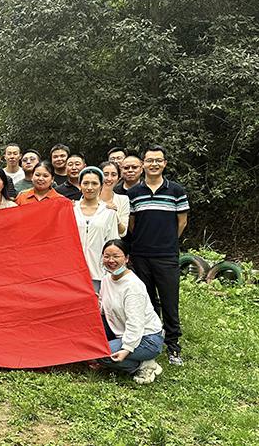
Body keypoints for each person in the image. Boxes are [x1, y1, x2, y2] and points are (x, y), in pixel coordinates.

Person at [128, 145, 189, 365]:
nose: (154, 164)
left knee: (170, 301)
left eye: (158, 160)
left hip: (166, 255)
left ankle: (173, 346)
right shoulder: (134, 193)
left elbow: (182, 222)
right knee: (147, 301)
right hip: (141, 254)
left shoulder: (176, 191)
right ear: (143, 164)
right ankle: (152, 339)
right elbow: (132, 223)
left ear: (164, 163)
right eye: (149, 160)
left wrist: (167, 241)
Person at [97, 239, 165, 384]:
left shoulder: (133, 286)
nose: (111, 260)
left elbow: (136, 323)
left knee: (102, 354)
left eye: (116, 256)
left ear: (127, 258)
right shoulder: (106, 280)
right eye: (107, 256)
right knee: (92, 346)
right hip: (121, 331)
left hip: (147, 338)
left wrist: (126, 349)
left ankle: (144, 365)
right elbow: (102, 308)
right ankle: (134, 356)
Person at [73, 167, 119, 293]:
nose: (90, 187)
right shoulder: (71, 209)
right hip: (73, 271)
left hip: (99, 272)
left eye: (94, 183)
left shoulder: (109, 212)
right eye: (86, 183)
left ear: (101, 186)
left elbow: (113, 242)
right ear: (80, 185)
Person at [99, 161, 130, 236]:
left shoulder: (123, 200)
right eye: (105, 174)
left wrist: (114, 214)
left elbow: (123, 232)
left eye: (113, 175)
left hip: (113, 242)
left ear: (118, 178)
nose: (109, 178)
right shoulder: (88, 198)